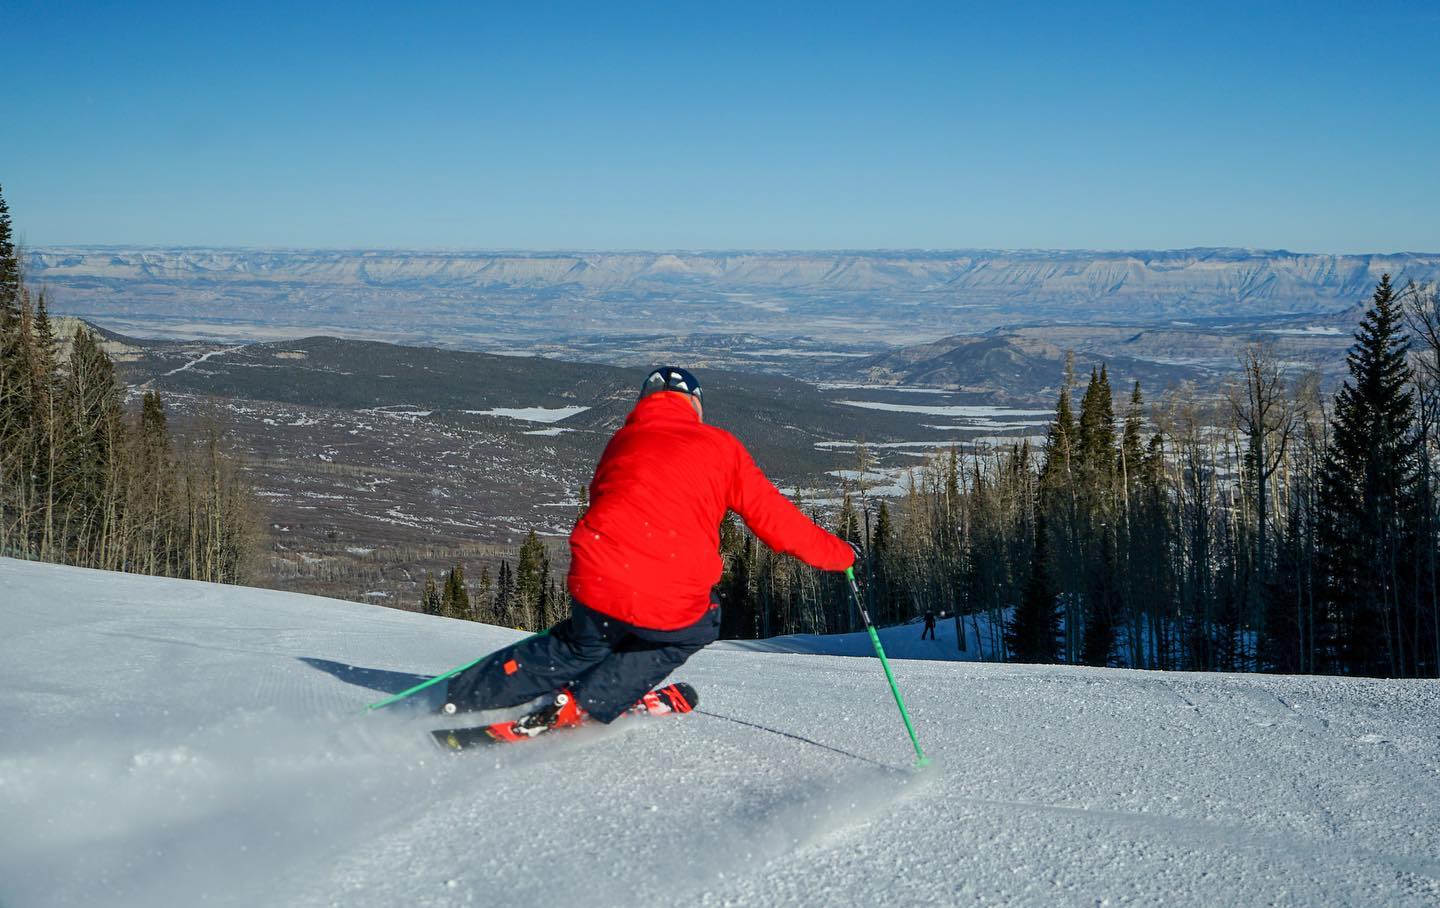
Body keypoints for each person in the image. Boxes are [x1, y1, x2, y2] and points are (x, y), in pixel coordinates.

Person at [442, 366, 857, 734]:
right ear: (695, 405)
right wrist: (841, 555)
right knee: (693, 629)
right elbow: (778, 524)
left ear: (644, 403)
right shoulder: (721, 447)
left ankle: (464, 696)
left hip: (598, 575)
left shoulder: (622, 441)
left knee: (579, 644)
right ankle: (584, 702)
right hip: (672, 589)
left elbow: (605, 498)